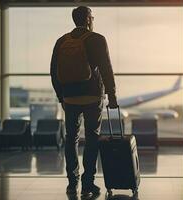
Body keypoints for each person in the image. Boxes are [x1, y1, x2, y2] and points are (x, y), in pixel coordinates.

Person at [50, 6, 118, 198]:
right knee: (92, 138)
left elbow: (54, 71)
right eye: (92, 17)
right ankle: (88, 183)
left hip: (70, 97)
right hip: (92, 96)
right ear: (88, 19)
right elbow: (106, 69)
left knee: (71, 139)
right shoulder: (97, 39)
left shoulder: (61, 41)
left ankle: (72, 183)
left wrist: (60, 96)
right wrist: (111, 95)